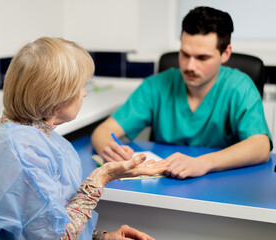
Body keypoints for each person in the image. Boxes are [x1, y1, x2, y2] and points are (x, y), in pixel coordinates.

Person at [0, 37, 169, 240]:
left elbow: (44, 226)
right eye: (80, 86)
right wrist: (101, 177)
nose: (84, 93)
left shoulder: (31, 135)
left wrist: (100, 237)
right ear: (57, 100)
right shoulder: (23, 157)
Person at [91, 6, 272, 180]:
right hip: (163, 185)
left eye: (202, 58)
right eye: (185, 54)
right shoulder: (157, 85)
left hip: (221, 182)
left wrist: (204, 163)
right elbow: (103, 131)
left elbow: (261, 146)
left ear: (225, 53)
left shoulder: (240, 87)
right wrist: (109, 148)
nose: (190, 66)